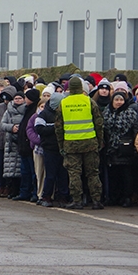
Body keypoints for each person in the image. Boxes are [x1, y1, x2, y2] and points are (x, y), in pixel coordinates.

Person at [55, 76, 104, 209]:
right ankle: (96, 200)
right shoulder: (89, 101)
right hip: (90, 142)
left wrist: (61, 145)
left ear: (69, 88)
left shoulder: (63, 103)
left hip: (71, 144)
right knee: (93, 173)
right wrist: (100, 141)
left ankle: (77, 200)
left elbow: (58, 128)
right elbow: (99, 124)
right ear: (82, 88)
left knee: (74, 173)